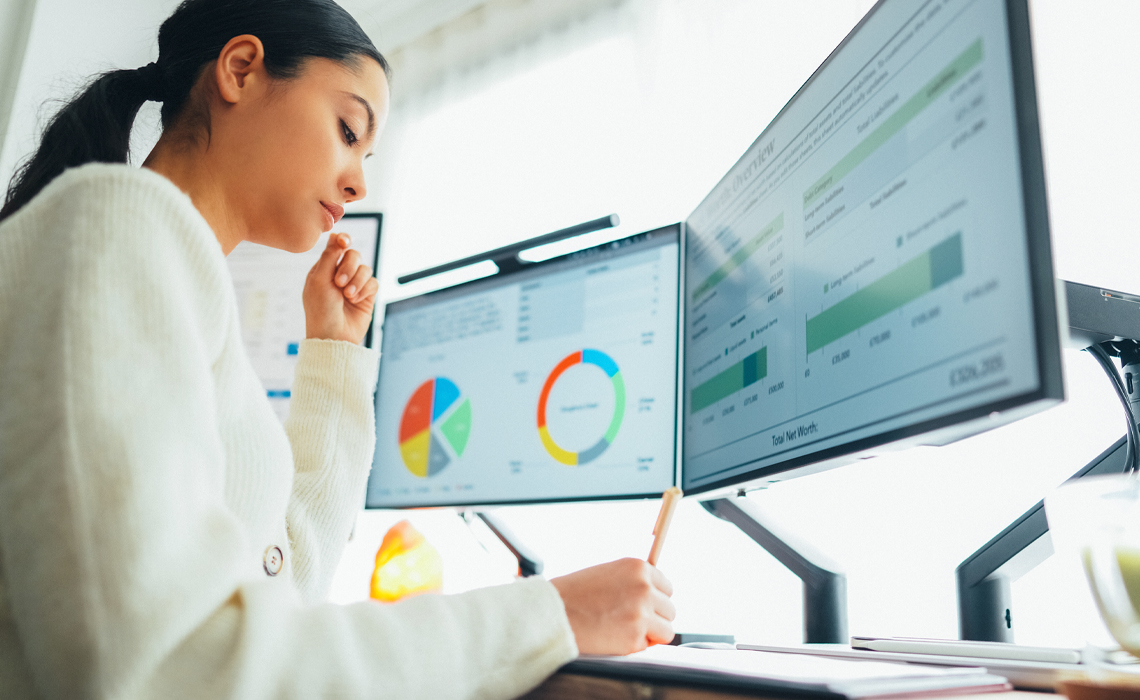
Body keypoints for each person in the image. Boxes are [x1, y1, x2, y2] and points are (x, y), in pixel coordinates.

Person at [0, 0, 676, 697]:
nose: (358, 183)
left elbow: (283, 582)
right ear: (240, 70)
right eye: (349, 130)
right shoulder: (116, 225)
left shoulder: (172, 277)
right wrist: (550, 614)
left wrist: (334, 353)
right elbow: (170, 664)